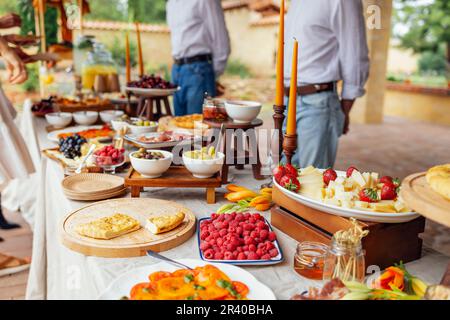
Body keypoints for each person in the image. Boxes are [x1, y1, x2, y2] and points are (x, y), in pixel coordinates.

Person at [283, 0, 370, 168]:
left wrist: (343, 110)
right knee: (285, 176)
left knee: (311, 180)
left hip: (318, 103)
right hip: (287, 101)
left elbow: (354, 55)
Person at [166, 0, 231, 116]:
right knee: (179, 127)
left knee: (199, 129)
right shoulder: (171, 4)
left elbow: (220, 39)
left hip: (199, 71)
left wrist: (212, 75)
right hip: (176, 71)